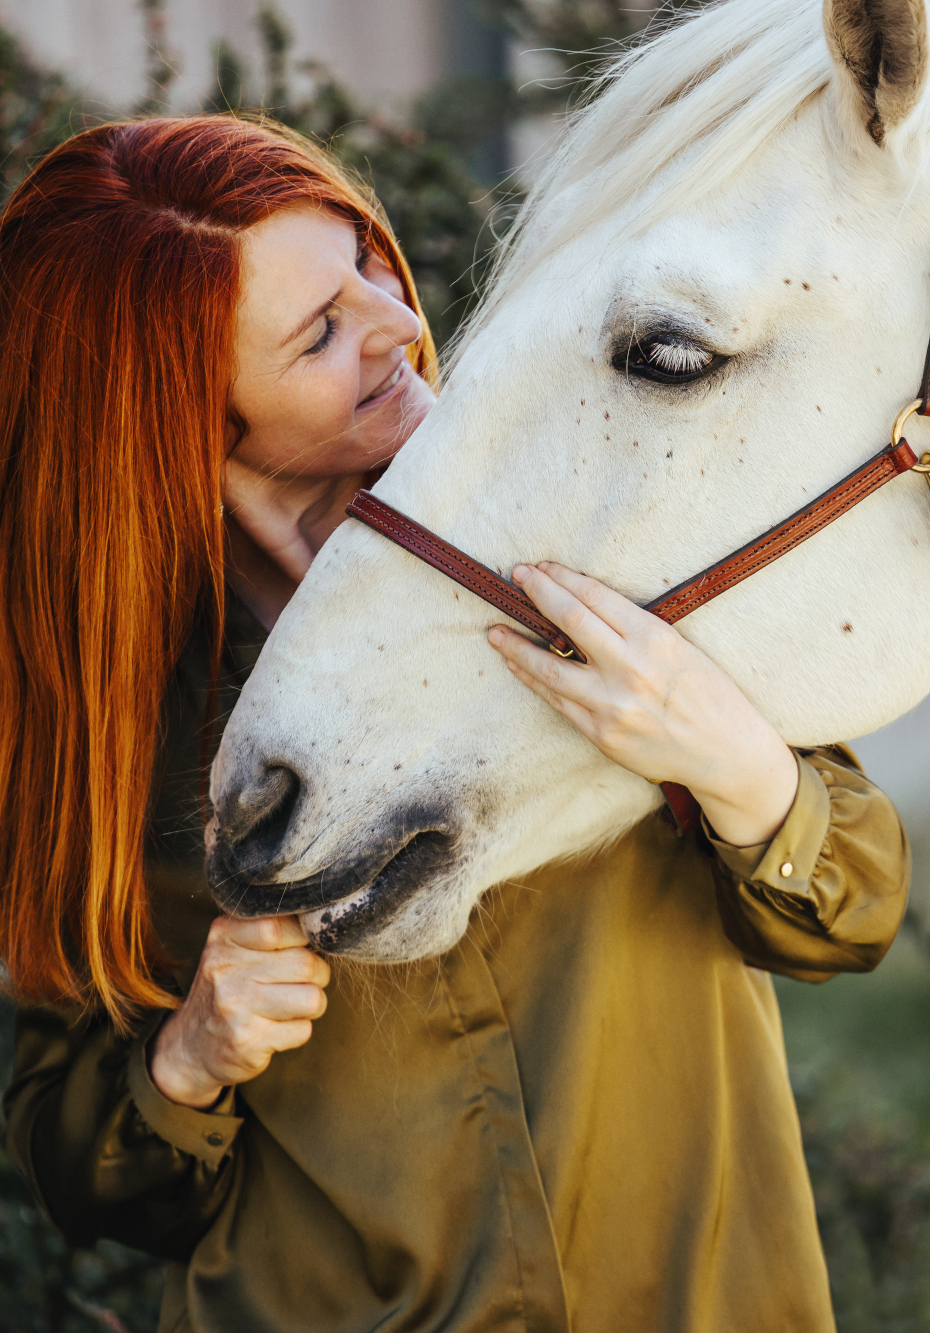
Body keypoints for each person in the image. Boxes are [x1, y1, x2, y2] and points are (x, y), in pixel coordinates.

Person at [0, 116, 908, 1333]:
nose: (397, 322)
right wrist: (191, 1058)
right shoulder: (114, 730)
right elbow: (81, 1171)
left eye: (369, 266)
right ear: (177, 415)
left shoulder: (580, 542)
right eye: (320, 331)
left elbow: (851, 913)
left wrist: (734, 765)